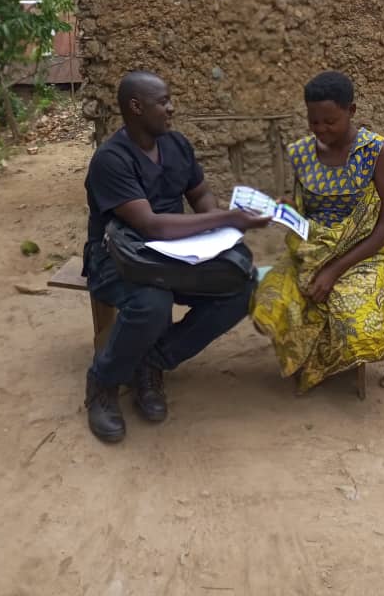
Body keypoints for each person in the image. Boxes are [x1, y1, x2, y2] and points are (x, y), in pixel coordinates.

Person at [83, 70, 270, 443]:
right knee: (153, 302)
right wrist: (229, 218)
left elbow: (200, 195)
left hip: (171, 256)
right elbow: (150, 226)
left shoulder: (176, 145)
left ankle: (152, 362)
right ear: (136, 108)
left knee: (241, 285)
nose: (172, 108)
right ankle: (102, 384)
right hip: (118, 258)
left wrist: (215, 230)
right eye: (163, 101)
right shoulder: (111, 160)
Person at [252, 71, 384, 394]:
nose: (321, 130)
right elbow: (306, 214)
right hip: (311, 252)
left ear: (351, 111)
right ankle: (313, 357)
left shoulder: (375, 153)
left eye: (330, 121)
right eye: (314, 122)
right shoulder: (303, 153)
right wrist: (286, 210)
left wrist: (334, 271)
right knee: (266, 305)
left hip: (362, 255)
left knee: (359, 330)